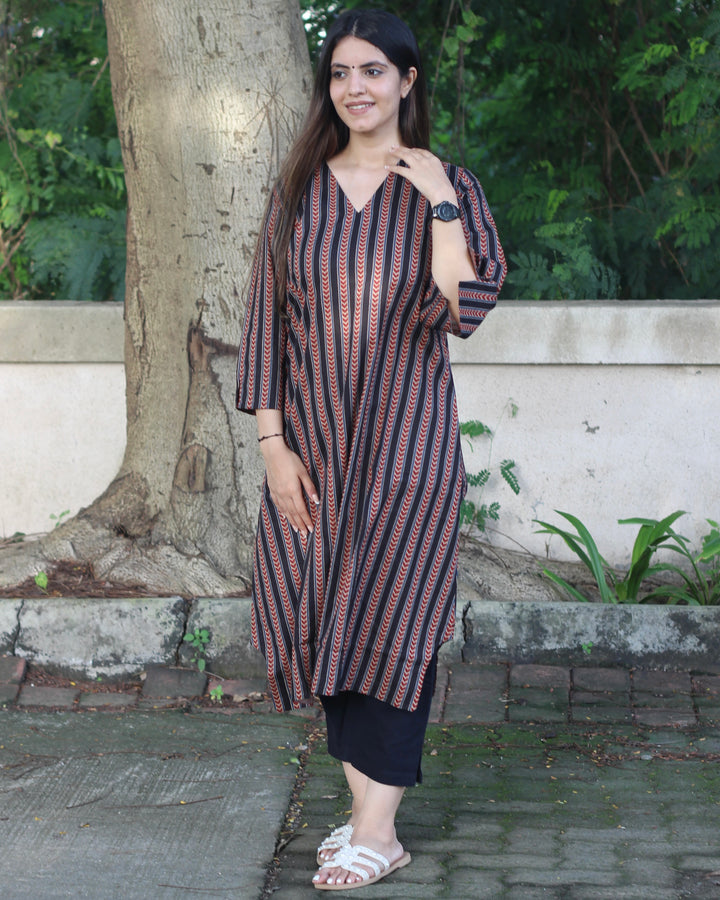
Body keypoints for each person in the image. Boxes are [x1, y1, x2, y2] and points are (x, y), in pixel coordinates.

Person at [236, 8, 505, 891]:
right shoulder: (299, 191)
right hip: (311, 452)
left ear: (406, 81)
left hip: (407, 452)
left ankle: (375, 828)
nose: (356, 88)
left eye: (374, 71)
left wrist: (438, 199)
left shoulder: (447, 186)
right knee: (320, 614)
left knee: (397, 617)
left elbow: (464, 305)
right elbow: (266, 324)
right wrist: (273, 446)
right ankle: (369, 823)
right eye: (341, 72)